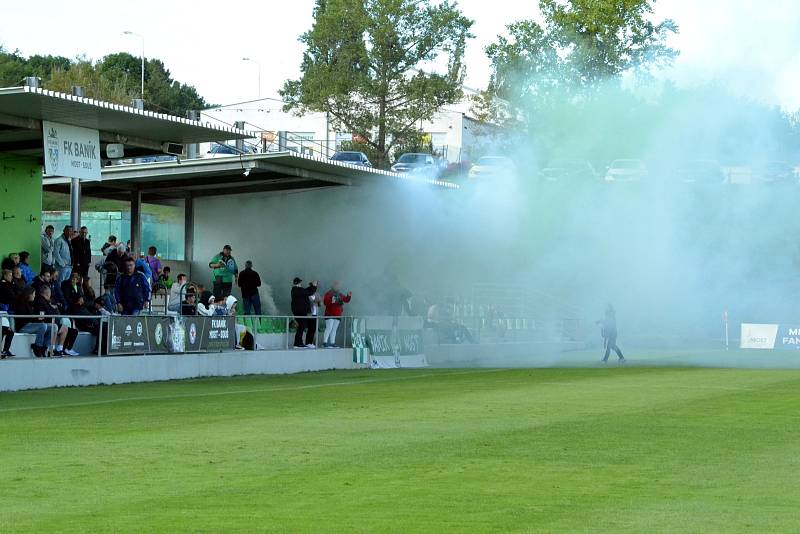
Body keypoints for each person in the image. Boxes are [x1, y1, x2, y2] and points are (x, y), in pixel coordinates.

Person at [34, 285, 79, 357]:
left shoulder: (46, 301)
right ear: (47, 293)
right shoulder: (40, 301)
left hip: (51, 322)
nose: (50, 295)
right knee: (60, 328)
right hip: (47, 323)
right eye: (50, 293)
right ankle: (53, 349)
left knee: (68, 330)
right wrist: (53, 309)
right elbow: (42, 315)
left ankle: (60, 349)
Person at [14, 287, 55, 358]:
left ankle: (44, 348)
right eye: (33, 294)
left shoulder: (31, 304)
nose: (34, 296)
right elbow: (23, 318)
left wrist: (38, 318)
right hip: (23, 327)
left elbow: (31, 317)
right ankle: (37, 346)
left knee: (54, 327)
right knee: (43, 325)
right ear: (29, 294)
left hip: (30, 325)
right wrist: (36, 318)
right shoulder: (20, 303)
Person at [322, 282, 352, 348]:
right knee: (329, 328)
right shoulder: (328, 293)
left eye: (338, 286)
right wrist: (331, 301)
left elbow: (346, 300)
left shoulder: (340, 294)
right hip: (329, 314)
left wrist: (348, 296)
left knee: (334, 329)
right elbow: (325, 302)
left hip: (338, 315)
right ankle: (325, 342)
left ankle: (332, 343)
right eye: (336, 286)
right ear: (333, 286)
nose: (338, 287)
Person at [291, 277, 317, 349]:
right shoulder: (296, 289)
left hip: (300, 311)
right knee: (301, 326)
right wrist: (314, 286)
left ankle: (299, 343)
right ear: (298, 283)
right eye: (300, 282)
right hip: (300, 312)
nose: (300, 284)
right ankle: (297, 343)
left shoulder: (297, 290)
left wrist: (312, 286)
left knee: (301, 326)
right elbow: (308, 292)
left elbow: (306, 291)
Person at [307, 282, 322, 347]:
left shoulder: (317, 294)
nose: (315, 288)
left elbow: (320, 304)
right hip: (309, 314)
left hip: (315, 314)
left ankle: (311, 343)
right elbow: (306, 304)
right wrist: (313, 302)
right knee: (310, 328)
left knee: (313, 329)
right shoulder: (307, 294)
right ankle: (308, 343)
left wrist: (319, 302)